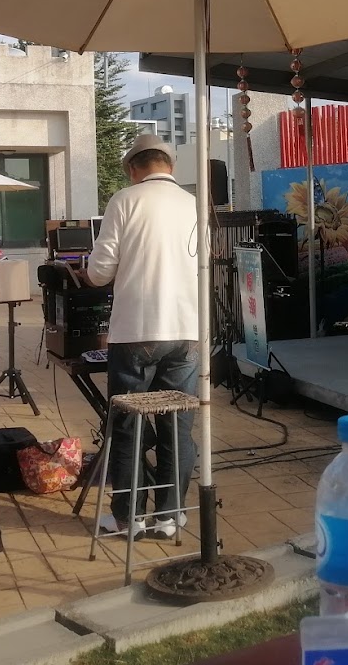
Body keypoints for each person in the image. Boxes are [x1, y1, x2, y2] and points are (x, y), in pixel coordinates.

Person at [86, 134, 198, 540]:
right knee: (177, 425)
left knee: (129, 424)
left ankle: (128, 518)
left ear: (133, 169)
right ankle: (170, 517)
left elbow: (99, 272)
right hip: (187, 330)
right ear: (170, 166)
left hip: (136, 331)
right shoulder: (194, 204)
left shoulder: (124, 200)